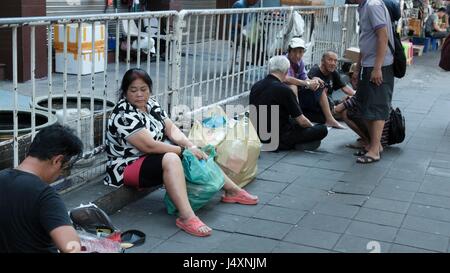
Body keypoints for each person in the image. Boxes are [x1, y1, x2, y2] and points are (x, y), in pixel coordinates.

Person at [104, 68, 258, 237]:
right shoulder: (123, 114)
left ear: (150, 89)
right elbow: (149, 146)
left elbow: (171, 129)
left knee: (198, 150)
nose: (139, 94)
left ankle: (232, 190)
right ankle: (187, 217)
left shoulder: (151, 104)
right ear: (125, 92)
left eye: (143, 89)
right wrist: (184, 150)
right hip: (127, 166)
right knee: (173, 157)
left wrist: (190, 146)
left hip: (152, 158)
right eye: (133, 90)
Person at [0, 124, 83, 253]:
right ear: (57, 160)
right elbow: (71, 248)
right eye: (64, 167)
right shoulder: (45, 196)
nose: (60, 174)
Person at [348, 0, 395, 164]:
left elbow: (382, 36)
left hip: (378, 65)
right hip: (368, 64)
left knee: (376, 106)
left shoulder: (373, 5)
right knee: (366, 105)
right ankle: (375, 145)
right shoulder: (363, 6)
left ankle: (375, 149)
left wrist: (377, 67)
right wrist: (358, 67)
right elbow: (365, 40)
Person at [250, 55, 328, 151]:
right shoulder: (284, 90)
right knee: (322, 129)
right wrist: (312, 128)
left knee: (292, 122)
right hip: (277, 139)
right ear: (286, 71)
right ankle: (295, 144)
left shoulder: (256, 86)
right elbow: (302, 121)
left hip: (257, 135)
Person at [304, 51, 357, 128]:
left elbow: (345, 88)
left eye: (335, 61)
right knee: (348, 106)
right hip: (316, 107)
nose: (333, 63)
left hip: (331, 104)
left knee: (349, 103)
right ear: (322, 61)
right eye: (330, 60)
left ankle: (338, 110)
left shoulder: (333, 72)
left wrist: (357, 95)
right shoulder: (315, 71)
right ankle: (334, 113)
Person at [231, 0, 262, 70]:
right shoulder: (239, 5)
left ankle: (254, 65)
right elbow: (234, 23)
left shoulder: (252, 6)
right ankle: (244, 68)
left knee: (261, 38)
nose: (255, 2)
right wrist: (246, 29)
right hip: (237, 33)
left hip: (247, 32)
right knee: (252, 40)